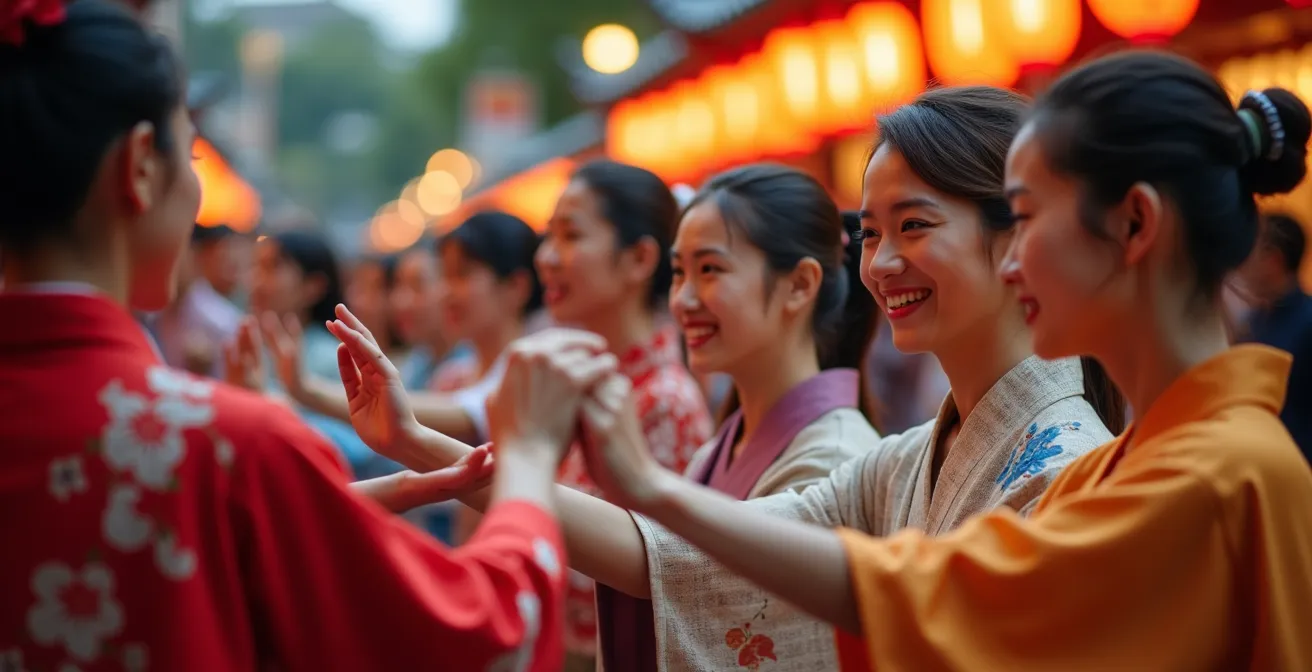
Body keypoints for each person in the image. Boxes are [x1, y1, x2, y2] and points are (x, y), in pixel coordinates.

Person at [565, 51, 1312, 670]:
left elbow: (935, 595)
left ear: (1135, 224)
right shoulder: (1113, 466)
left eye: (1025, 219)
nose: (1017, 258)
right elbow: (708, 557)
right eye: (871, 235)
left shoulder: (1183, 472)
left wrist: (647, 488)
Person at [328, 108, 1122, 669]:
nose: (879, 264)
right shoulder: (910, 456)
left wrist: (637, 484)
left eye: (913, 227)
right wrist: (420, 446)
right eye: (872, 232)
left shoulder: (1064, 467)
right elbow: (671, 555)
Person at [0, 2, 584, 669]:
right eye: (188, 153)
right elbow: (482, 638)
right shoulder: (223, 443)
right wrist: (532, 460)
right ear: (139, 166)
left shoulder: (227, 448)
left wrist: (331, 501)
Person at [326, 163, 881, 671]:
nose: (684, 297)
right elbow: (651, 556)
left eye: (710, 269)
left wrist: (418, 442)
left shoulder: (821, 451)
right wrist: (416, 441)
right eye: (681, 272)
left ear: (801, 284)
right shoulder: (726, 438)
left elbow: (653, 562)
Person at [536, 159, 713, 670]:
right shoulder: (583, 381)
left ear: (638, 258)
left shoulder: (664, 404)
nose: (546, 257)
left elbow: (651, 579)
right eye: (549, 236)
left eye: (570, 236)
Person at [1237, 213, 1312, 456]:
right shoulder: (1252, 322)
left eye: (1251, 252)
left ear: (1274, 259)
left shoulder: (1308, 323)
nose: (1243, 264)